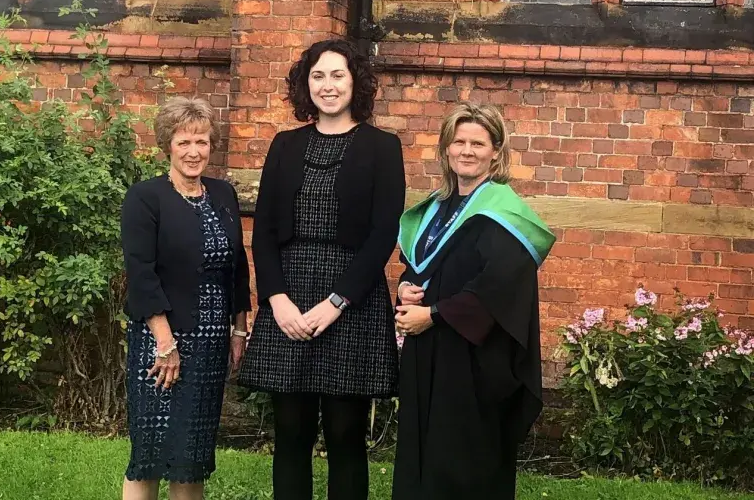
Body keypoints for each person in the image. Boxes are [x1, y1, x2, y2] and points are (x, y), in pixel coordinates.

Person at [238, 38, 405, 500]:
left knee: (345, 434)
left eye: (337, 75)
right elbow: (265, 230)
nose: (327, 86)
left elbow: (382, 236)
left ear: (356, 82)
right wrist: (276, 300)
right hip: (288, 294)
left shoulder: (383, 147)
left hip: (351, 296)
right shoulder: (285, 145)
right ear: (304, 84)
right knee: (290, 433)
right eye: (317, 76)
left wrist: (336, 304)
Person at [391, 102, 556, 500]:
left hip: (474, 359)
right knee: (421, 450)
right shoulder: (435, 208)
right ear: (446, 149)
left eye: (478, 143)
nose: (467, 151)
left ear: (496, 151)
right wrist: (405, 287)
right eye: (459, 141)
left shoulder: (504, 211)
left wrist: (432, 314)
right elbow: (424, 266)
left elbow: (499, 285)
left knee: (463, 457)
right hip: (426, 351)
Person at [120, 97, 251, 500]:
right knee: (151, 452)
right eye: (184, 142)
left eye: (202, 141)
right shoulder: (146, 197)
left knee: (191, 455)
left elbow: (238, 266)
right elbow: (141, 273)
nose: (194, 151)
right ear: (168, 146)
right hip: (161, 343)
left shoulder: (223, 194)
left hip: (211, 344)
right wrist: (164, 342)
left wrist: (239, 329)